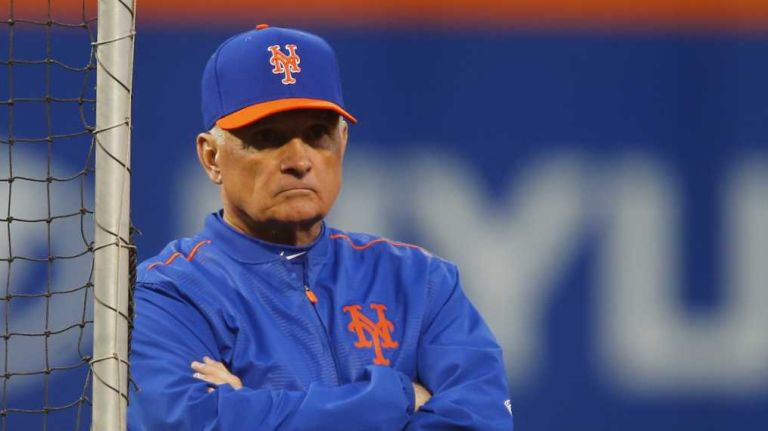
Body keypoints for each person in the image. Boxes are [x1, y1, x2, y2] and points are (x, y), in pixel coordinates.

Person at [128, 24, 514, 430]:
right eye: (267, 137)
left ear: (343, 141)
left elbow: (480, 422)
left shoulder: (420, 282)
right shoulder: (171, 296)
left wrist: (253, 409)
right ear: (211, 158)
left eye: (318, 134)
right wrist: (395, 397)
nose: (299, 159)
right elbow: (188, 423)